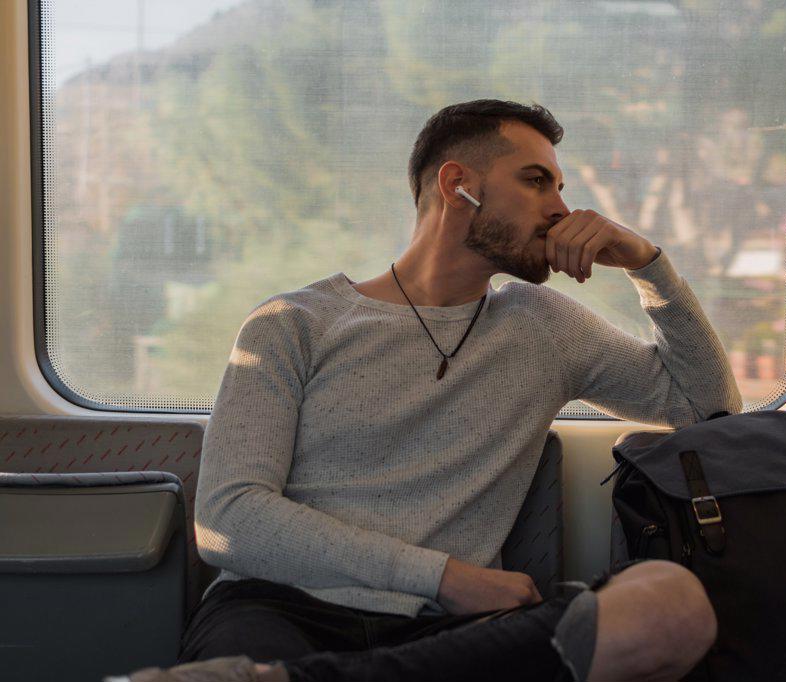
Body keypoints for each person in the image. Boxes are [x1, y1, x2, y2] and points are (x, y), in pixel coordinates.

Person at [108, 99, 743, 682]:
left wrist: (647, 266)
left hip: (445, 634)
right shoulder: (293, 325)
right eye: (535, 180)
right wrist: (443, 577)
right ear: (456, 184)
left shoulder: (544, 327)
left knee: (670, 604)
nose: (560, 208)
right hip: (282, 608)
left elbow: (705, 406)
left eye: (559, 186)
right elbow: (228, 521)